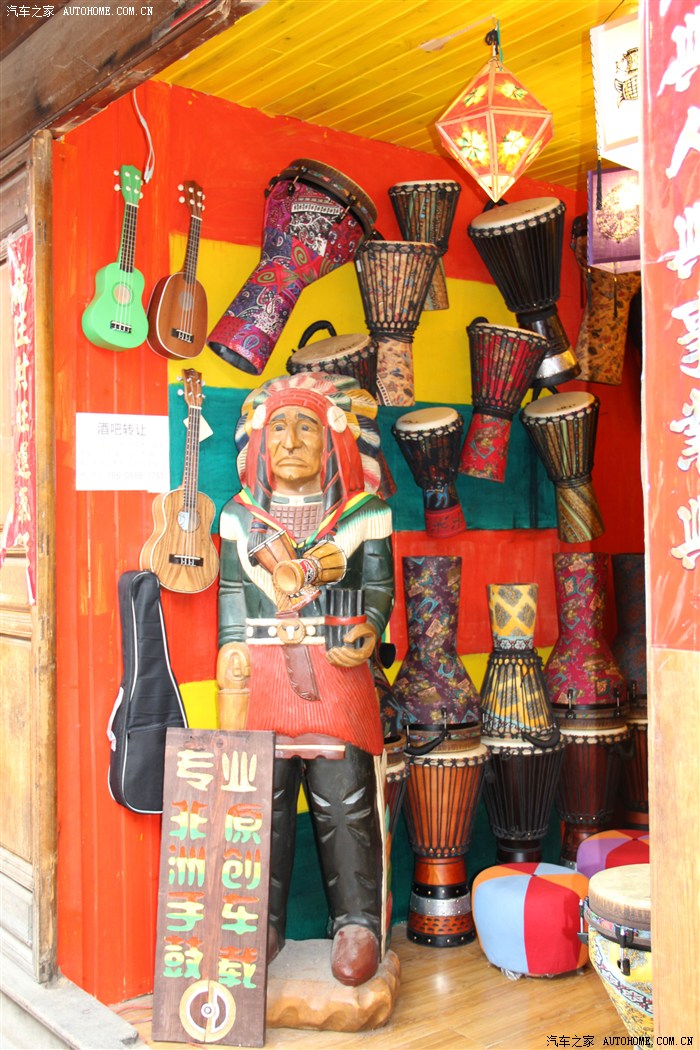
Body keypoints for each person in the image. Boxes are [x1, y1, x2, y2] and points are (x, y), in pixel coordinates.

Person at [217, 375, 394, 987]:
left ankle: (358, 921)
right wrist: (231, 644)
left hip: (335, 671)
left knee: (345, 800)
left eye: (306, 427)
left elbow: (379, 587)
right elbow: (233, 591)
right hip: (263, 674)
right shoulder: (239, 517)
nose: (290, 442)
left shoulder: (365, 515)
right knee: (261, 802)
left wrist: (370, 626)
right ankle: (258, 921)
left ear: (333, 444)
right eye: (278, 428)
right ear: (259, 445)